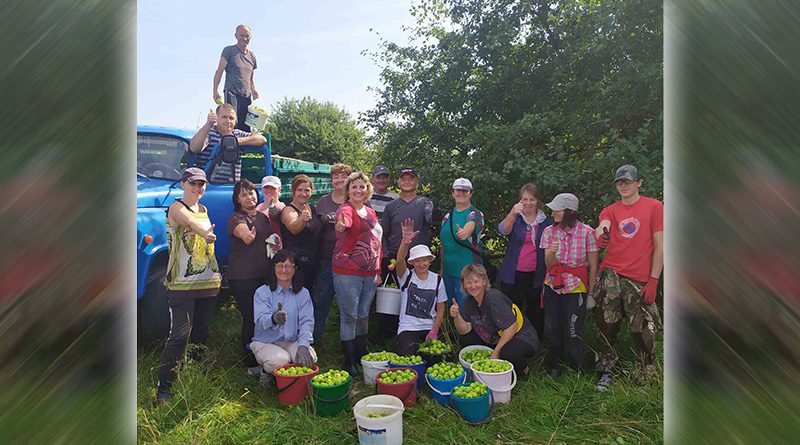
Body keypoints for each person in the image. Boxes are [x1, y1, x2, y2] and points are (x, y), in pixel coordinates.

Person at [593, 165, 663, 390]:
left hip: (640, 279)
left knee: (642, 330)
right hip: (611, 277)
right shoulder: (610, 210)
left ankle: (644, 374)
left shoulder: (654, 207)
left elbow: (660, 245)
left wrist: (653, 280)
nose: (623, 185)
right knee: (607, 327)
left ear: (639, 182)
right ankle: (606, 372)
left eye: (628, 181)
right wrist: (602, 234)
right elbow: (602, 226)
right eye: (619, 182)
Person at [156, 168, 222, 405]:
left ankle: (194, 376)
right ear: (183, 183)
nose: (198, 188)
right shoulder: (176, 208)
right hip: (182, 285)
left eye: (202, 184)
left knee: (201, 333)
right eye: (193, 183)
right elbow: (190, 223)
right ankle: (164, 390)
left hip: (207, 282)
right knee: (179, 336)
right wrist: (205, 232)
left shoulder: (203, 209)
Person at [539, 193, 598, 377]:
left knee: (573, 331)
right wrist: (552, 254)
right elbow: (548, 264)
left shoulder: (587, 232)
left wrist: (591, 293)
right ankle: (554, 366)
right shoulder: (549, 231)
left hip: (576, 288)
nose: (553, 213)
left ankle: (575, 368)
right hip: (552, 287)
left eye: (557, 209)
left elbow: (594, 265)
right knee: (552, 328)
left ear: (570, 212)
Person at [332, 171, 383, 376]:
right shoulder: (345, 209)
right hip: (347, 271)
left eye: (362, 186)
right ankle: (349, 361)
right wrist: (342, 225)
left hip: (370, 273)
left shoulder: (370, 212)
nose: (358, 190)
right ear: (348, 191)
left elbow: (376, 243)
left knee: (363, 315)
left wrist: (377, 270)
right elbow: (344, 222)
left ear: (367, 190)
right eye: (354, 187)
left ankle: (361, 353)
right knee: (350, 316)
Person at [379, 167, 437, 343]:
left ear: (416, 182)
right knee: (392, 299)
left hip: (420, 259)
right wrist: (387, 257)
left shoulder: (425, 202)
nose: (407, 181)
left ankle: (421, 333)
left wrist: (434, 212)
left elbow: (432, 218)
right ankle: (390, 336)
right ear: (398, 182)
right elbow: (383, 233)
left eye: (410, 178)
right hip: (397, 258)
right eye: (403, 178)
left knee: (419, 298)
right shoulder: (391, 206)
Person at [449, 264, 539, 375]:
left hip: (522, 336)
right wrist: (456, 315)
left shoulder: (493, 298)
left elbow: (512, 327)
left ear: (484, 281)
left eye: (476, 281)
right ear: (464, 285)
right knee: (467, 339)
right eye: (468, 282)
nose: (473, 286)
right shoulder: (469, 300)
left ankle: (523, 369)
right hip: (496, 337)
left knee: (507, 354)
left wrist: (496, 353)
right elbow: (464, 330)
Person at [226, 179, 275, 375]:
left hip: (262, 276)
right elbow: (243, 233)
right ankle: (250, 362)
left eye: (252, 193)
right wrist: (247, 235)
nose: (249, 197)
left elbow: (269, 241)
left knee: (262, 317)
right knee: (251, 318)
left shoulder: (263, 218)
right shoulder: (236, 218)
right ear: (237, 200)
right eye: (244, 194)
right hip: (243, 278)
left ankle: (263, 355)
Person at [251, 250, 317, 387]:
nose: (284, 270)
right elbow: (259, 320)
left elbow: (307, 322)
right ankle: (266, 372)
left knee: (311, 356)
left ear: (295, 269)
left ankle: (289, 372)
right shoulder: (262, 292)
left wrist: (303, 345)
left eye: (288, 266)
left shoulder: (303, 293)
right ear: (273, 268)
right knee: (280, 361)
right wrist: (273, 318)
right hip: (266, 342)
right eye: (280, 265)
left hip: (292, 340)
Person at [497, 183, 552, 342]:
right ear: (520, 201)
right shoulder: (517, 219)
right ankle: (510, 342)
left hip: (537, 275)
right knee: (512, 310)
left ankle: (534, 345)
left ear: (538, 201)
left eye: (532, 199)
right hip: (513, 275)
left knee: (536, 312)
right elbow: (503, 230)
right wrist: (512, 214)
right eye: (524, 199)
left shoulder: (545, 222)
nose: (528, 203)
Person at [393, 218, 447, 356]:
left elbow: (441, 310)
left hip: (429, 327)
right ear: (412, 263)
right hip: (408, 328)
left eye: (424, 260)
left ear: (429, 261)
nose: (421, 264)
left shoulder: (437, 280)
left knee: (438, 357)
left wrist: (434, 331)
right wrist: (405, 242)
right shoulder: (406, 277)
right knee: (408, 356)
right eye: (417, 261)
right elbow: (399, 260)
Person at [313, 163, 352, 344]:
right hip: (326, 259)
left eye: (343, 176)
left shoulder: (356, 200)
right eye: (336, 177)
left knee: (348, 302)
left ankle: (348, 342)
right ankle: (314, 339)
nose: (339, 180)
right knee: (321, 298)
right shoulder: (323, 202)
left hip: (349, 261)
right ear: (332, 180)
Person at [188, 103, 266, 183]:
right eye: (224, 117)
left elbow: (262, 140)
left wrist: (236, 141)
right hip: (206, 187)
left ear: (235, 121)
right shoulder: (209, 133)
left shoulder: (238, 134)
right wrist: (208, 125)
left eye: (231, 118)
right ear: (217, 118)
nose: (228, 121)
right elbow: (194, 148)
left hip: (231, 188)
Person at [439, 178, 485, 307]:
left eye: (465, 191)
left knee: (466, 312)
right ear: (452, 193)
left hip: (468, 275)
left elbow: (471, 224)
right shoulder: (447, 217)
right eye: (458, 190)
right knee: (449, 310)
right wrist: (442, 269)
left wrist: (465, 232)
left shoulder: (475, 213)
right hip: (448, 272)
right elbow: (444, 245)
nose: (461, 193)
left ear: (470, 193)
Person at [213, 24, 259, 131]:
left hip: (246, 95)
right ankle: (229, 144)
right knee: (231, 121)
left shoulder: (252, 56)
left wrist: (254, 90)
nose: (244, 38)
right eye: (241, 35)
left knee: (245, 125)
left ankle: (243, 145)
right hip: (232, 92)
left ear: (250, 37)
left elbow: (251, 76)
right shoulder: (229, 51)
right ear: (236, 36)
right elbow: (219, 71)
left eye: (247, 36)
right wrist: (215, 90)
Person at [279, 174, 322, 283]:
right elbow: (294, 229)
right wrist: (302, 219)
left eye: (307, 190)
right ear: (293, 191)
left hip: (313, 262)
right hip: (296, 264)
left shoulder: (312, 208)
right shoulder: (288, 210)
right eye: (299, 190)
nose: (303, 194)